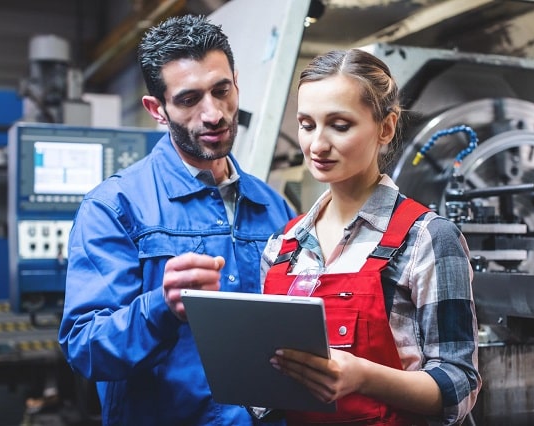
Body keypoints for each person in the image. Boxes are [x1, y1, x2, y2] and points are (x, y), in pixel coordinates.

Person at [58, 14, 296, 425]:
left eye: (222, 91)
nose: (213, 114)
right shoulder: (114, 208)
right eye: (189, 99)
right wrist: (162, 307)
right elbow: (85, 348)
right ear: (157, 109)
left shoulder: (275, 208)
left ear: (236, 83)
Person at [260, 49, 482, 425]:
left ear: (386, 128)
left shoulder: (427, 239)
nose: (317, 145)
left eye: (339, 125)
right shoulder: (283, 246)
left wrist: (363, 377)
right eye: (307, 124)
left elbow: (460, 385)